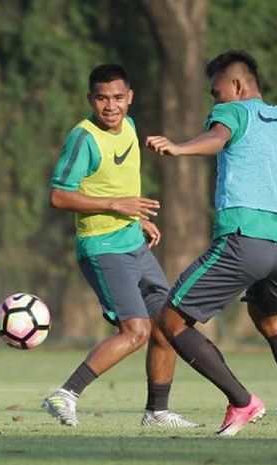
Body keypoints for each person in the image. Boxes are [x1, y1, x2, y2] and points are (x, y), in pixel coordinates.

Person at [145, 50, 277, 436]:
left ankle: (242, 402)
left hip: (244, 239)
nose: (215, 101)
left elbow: (215, 138)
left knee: (170, 320)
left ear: (238, 86)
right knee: (269, 319)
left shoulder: (235, 112)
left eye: (216, 92)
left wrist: (179, 147)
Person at [42, 64, 198, 428]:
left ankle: (157, 412)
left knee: (167, 324)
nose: (110, 106)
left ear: (129, 97)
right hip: (102, 247)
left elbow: (114, 185)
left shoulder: (129, 126)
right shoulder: (83, 138)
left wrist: (136, 218)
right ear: (90, 99)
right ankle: (65, 394)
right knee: (136, 331)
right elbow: (58, 196)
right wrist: (117, 207)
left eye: (117, 97)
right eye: (101, 98)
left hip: (134, 243)